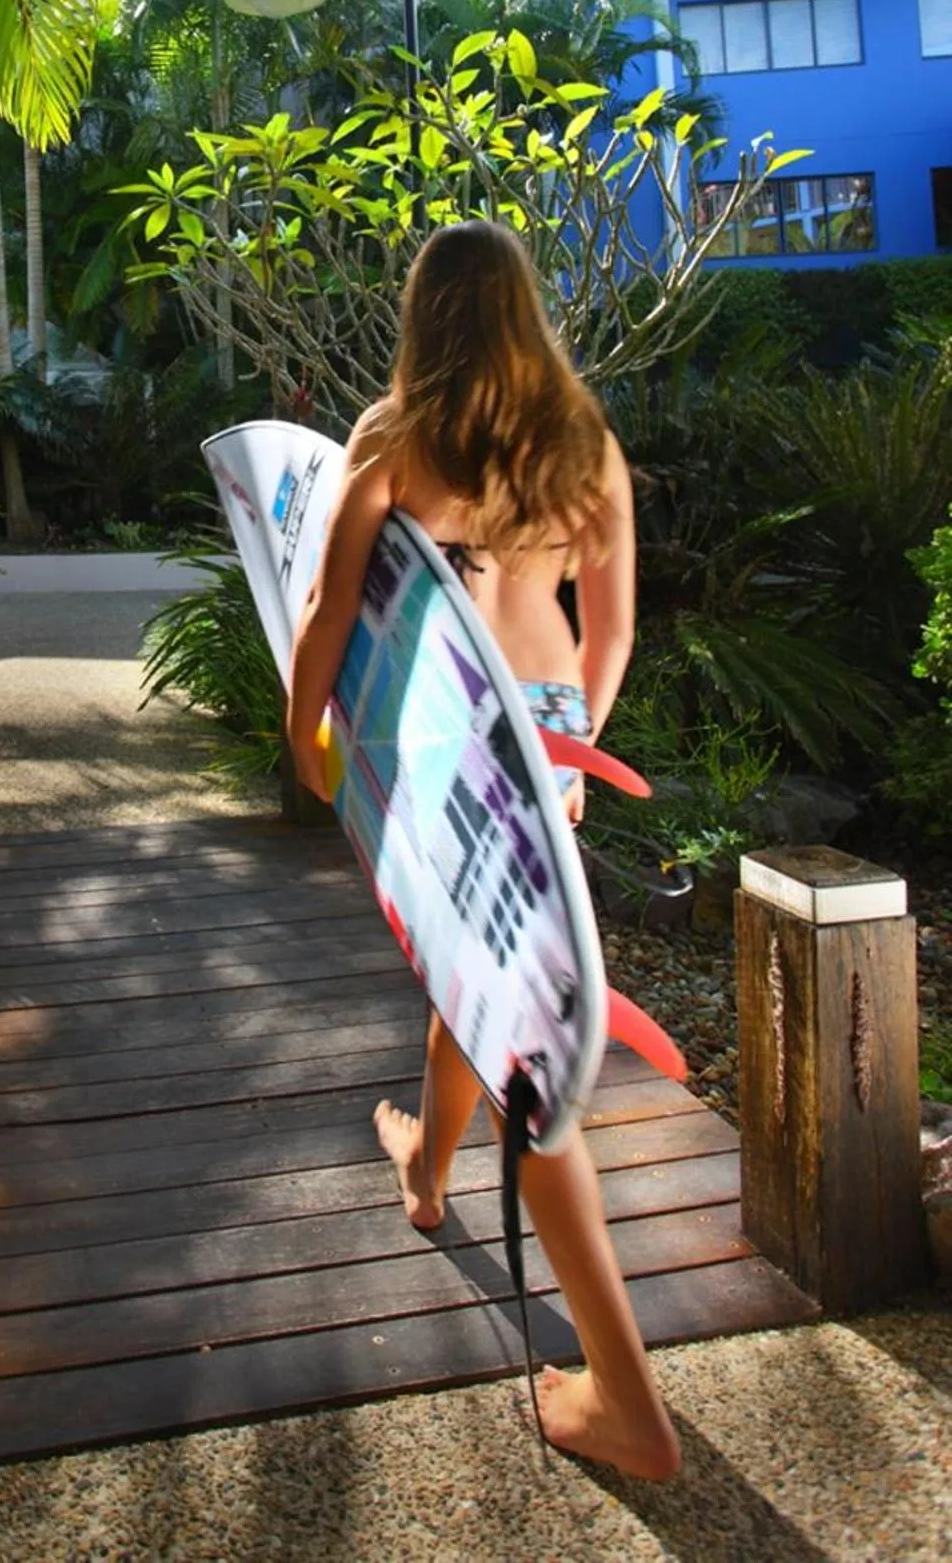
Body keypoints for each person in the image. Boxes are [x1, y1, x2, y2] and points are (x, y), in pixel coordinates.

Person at [285, 219, 681, 1482]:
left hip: (454, 748)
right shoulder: (586, 443)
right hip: (545, 739)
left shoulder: (398, 441)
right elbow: (612, 627)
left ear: (427, 316)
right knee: (476, 980)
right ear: (527, 312)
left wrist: (309, 742)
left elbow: (328, 609)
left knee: (522, 1030)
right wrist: (564, 744)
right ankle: (429, 1166)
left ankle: (627, 1400)